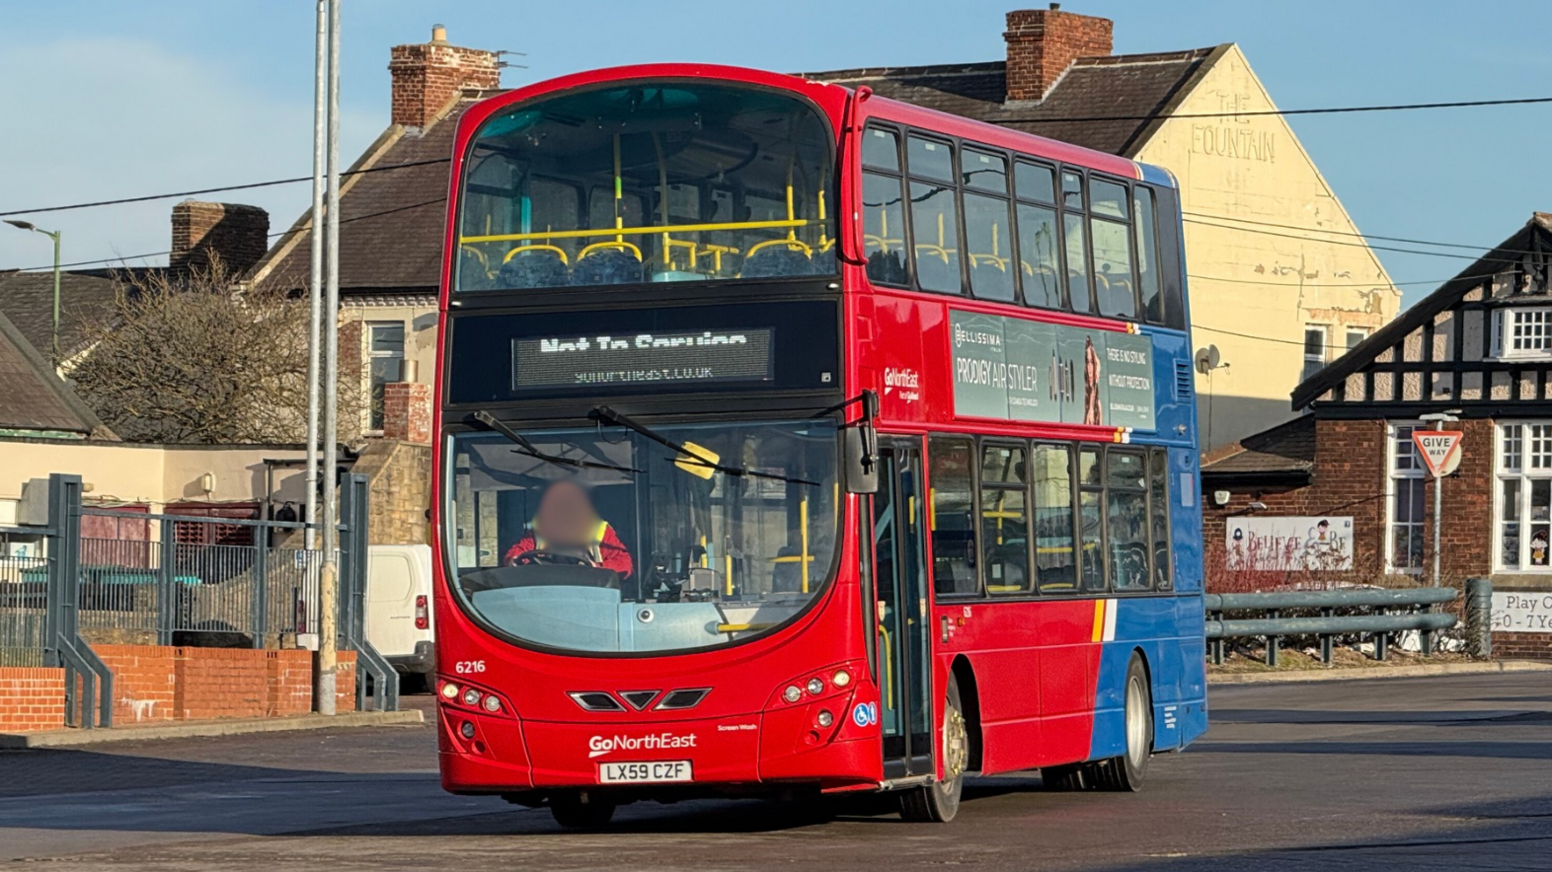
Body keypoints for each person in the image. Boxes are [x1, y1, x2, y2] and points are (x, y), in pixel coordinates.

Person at [504, 480, 633, 578]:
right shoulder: (539, 532)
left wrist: (597, 567)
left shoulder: (600, 531)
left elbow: (624, 564)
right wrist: (513, 560)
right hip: (545, 590)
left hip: (590, 592)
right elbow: (516, 554)